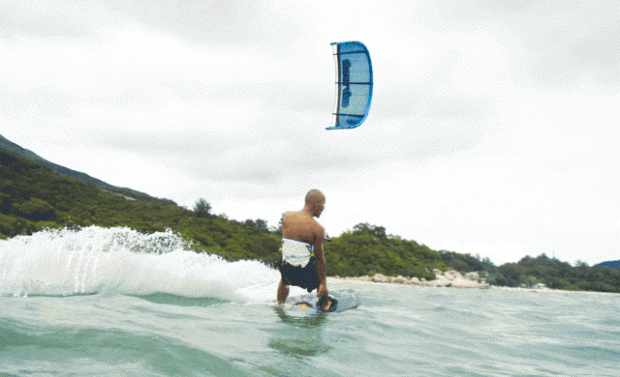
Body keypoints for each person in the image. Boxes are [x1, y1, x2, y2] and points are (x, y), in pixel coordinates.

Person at [277, 189, 333, 311]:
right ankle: (325, 305)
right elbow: (320, 259)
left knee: (284, 278)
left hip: (286, 269)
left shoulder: (286, 216)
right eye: (323, 204)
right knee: (319, 275)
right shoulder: (318, 229)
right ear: (316, 204)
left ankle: (280, 303)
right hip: (304, 272)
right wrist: (323, 283)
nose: (323, 208)